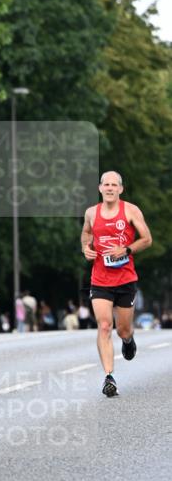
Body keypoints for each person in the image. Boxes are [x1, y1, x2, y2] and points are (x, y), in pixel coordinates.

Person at [81, 170, 152, 397]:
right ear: (100, 188)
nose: (110, 188)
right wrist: (86, 248)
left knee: (122, 329)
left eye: (114, 185)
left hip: (125, 279)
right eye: (106, 184)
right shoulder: (91, 212)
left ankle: (129, 340)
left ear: (120, 189)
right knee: (104, 326)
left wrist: (127, 249)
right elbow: (85, 234)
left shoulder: (130, 210)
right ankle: (109, 377)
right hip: (100, 279)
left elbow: (147, 239)